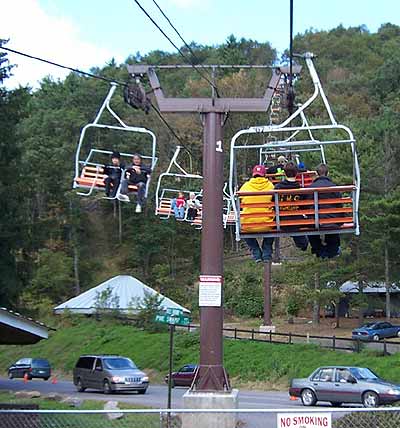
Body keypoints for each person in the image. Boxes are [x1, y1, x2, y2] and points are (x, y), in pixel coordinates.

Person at [239, 165, 274, 262]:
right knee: (274, 225)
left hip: (248, 225)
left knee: (241, 228)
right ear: (264, 175)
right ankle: (266, 253)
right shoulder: (270, 186)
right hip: (267, 224)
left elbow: (240, 200)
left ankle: (256, 252)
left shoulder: (245, 186)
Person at [307, 163, 341, 258]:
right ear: (328, 173)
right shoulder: (335, 188)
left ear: (316, 174)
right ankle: (332, 250)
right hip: (332, 220)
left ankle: (318, 249)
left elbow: (306, 206)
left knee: (310, 227)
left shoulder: (309, 188)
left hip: (314, 221)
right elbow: (339, 205)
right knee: (332, 226)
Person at [274, 162, 308, 251]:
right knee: (298, 228)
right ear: (296, 173)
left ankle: (266, 253)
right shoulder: (300, 189)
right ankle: (303, 244)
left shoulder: (277, 188)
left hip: (280, 221)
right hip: (297, 221)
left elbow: (273, 204)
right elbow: (305, 207)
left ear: (284, 173)